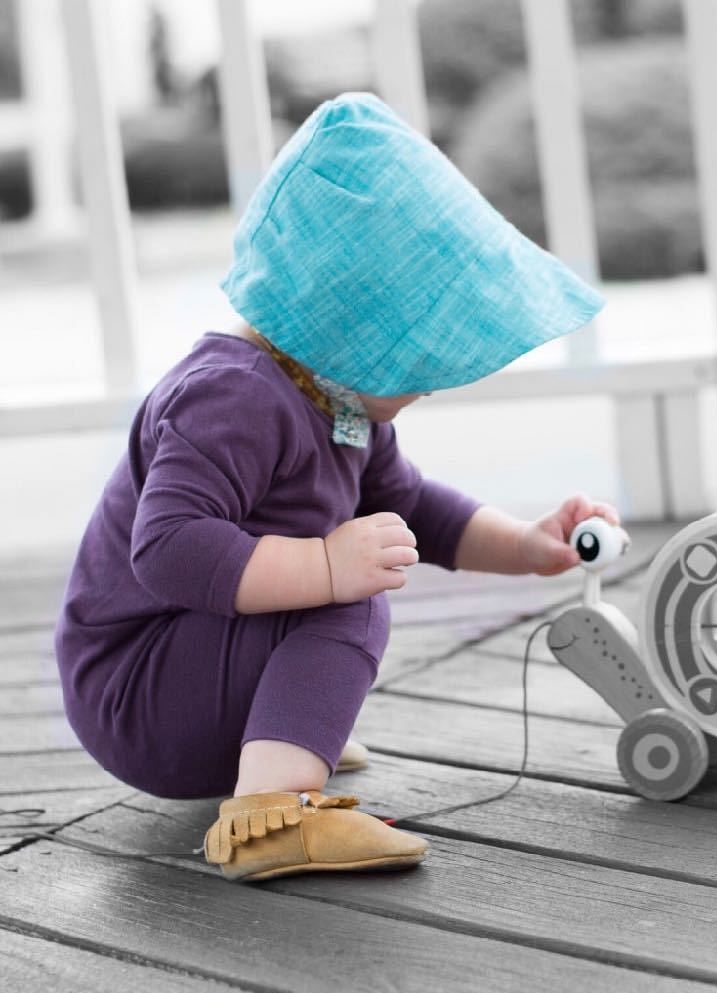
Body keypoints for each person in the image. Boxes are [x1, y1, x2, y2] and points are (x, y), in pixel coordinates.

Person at [55, 93, 624, 882]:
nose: (425, 386)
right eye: (417, 362)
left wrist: (528, 546)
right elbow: (169, 551)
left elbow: (416, 510)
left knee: (355, 568)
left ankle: (283, 734)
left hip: (188, 683)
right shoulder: (232, 397)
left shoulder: (335, 403)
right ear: (349, 327)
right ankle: (267, 817)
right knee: (346, 593)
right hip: (138, 691)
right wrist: (325, 568)